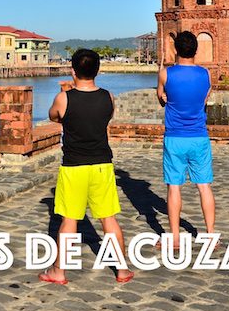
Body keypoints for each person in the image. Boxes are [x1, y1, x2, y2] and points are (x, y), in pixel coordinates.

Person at [39, 48, 134, 285]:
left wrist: (64, 93)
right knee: (109, 219)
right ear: (98, 71)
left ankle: (59, 272)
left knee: (69, 221)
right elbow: (105, 117)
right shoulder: (108, 97)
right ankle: (122, 270)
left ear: (72, 70)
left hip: (74, 167)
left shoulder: (64, 98)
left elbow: (54, 116)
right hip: (101, 164)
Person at [157, 31, 215, 248]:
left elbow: (162, 99)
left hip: (175, 137)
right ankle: (210, 234)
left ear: (175, 49)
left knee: (174, 187)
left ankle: (174, 237)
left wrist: (165, 98)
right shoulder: (205, 74)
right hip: (199, 136)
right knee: (204, 186)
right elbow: (204, 99)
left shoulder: (166, 74)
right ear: (196, 50)